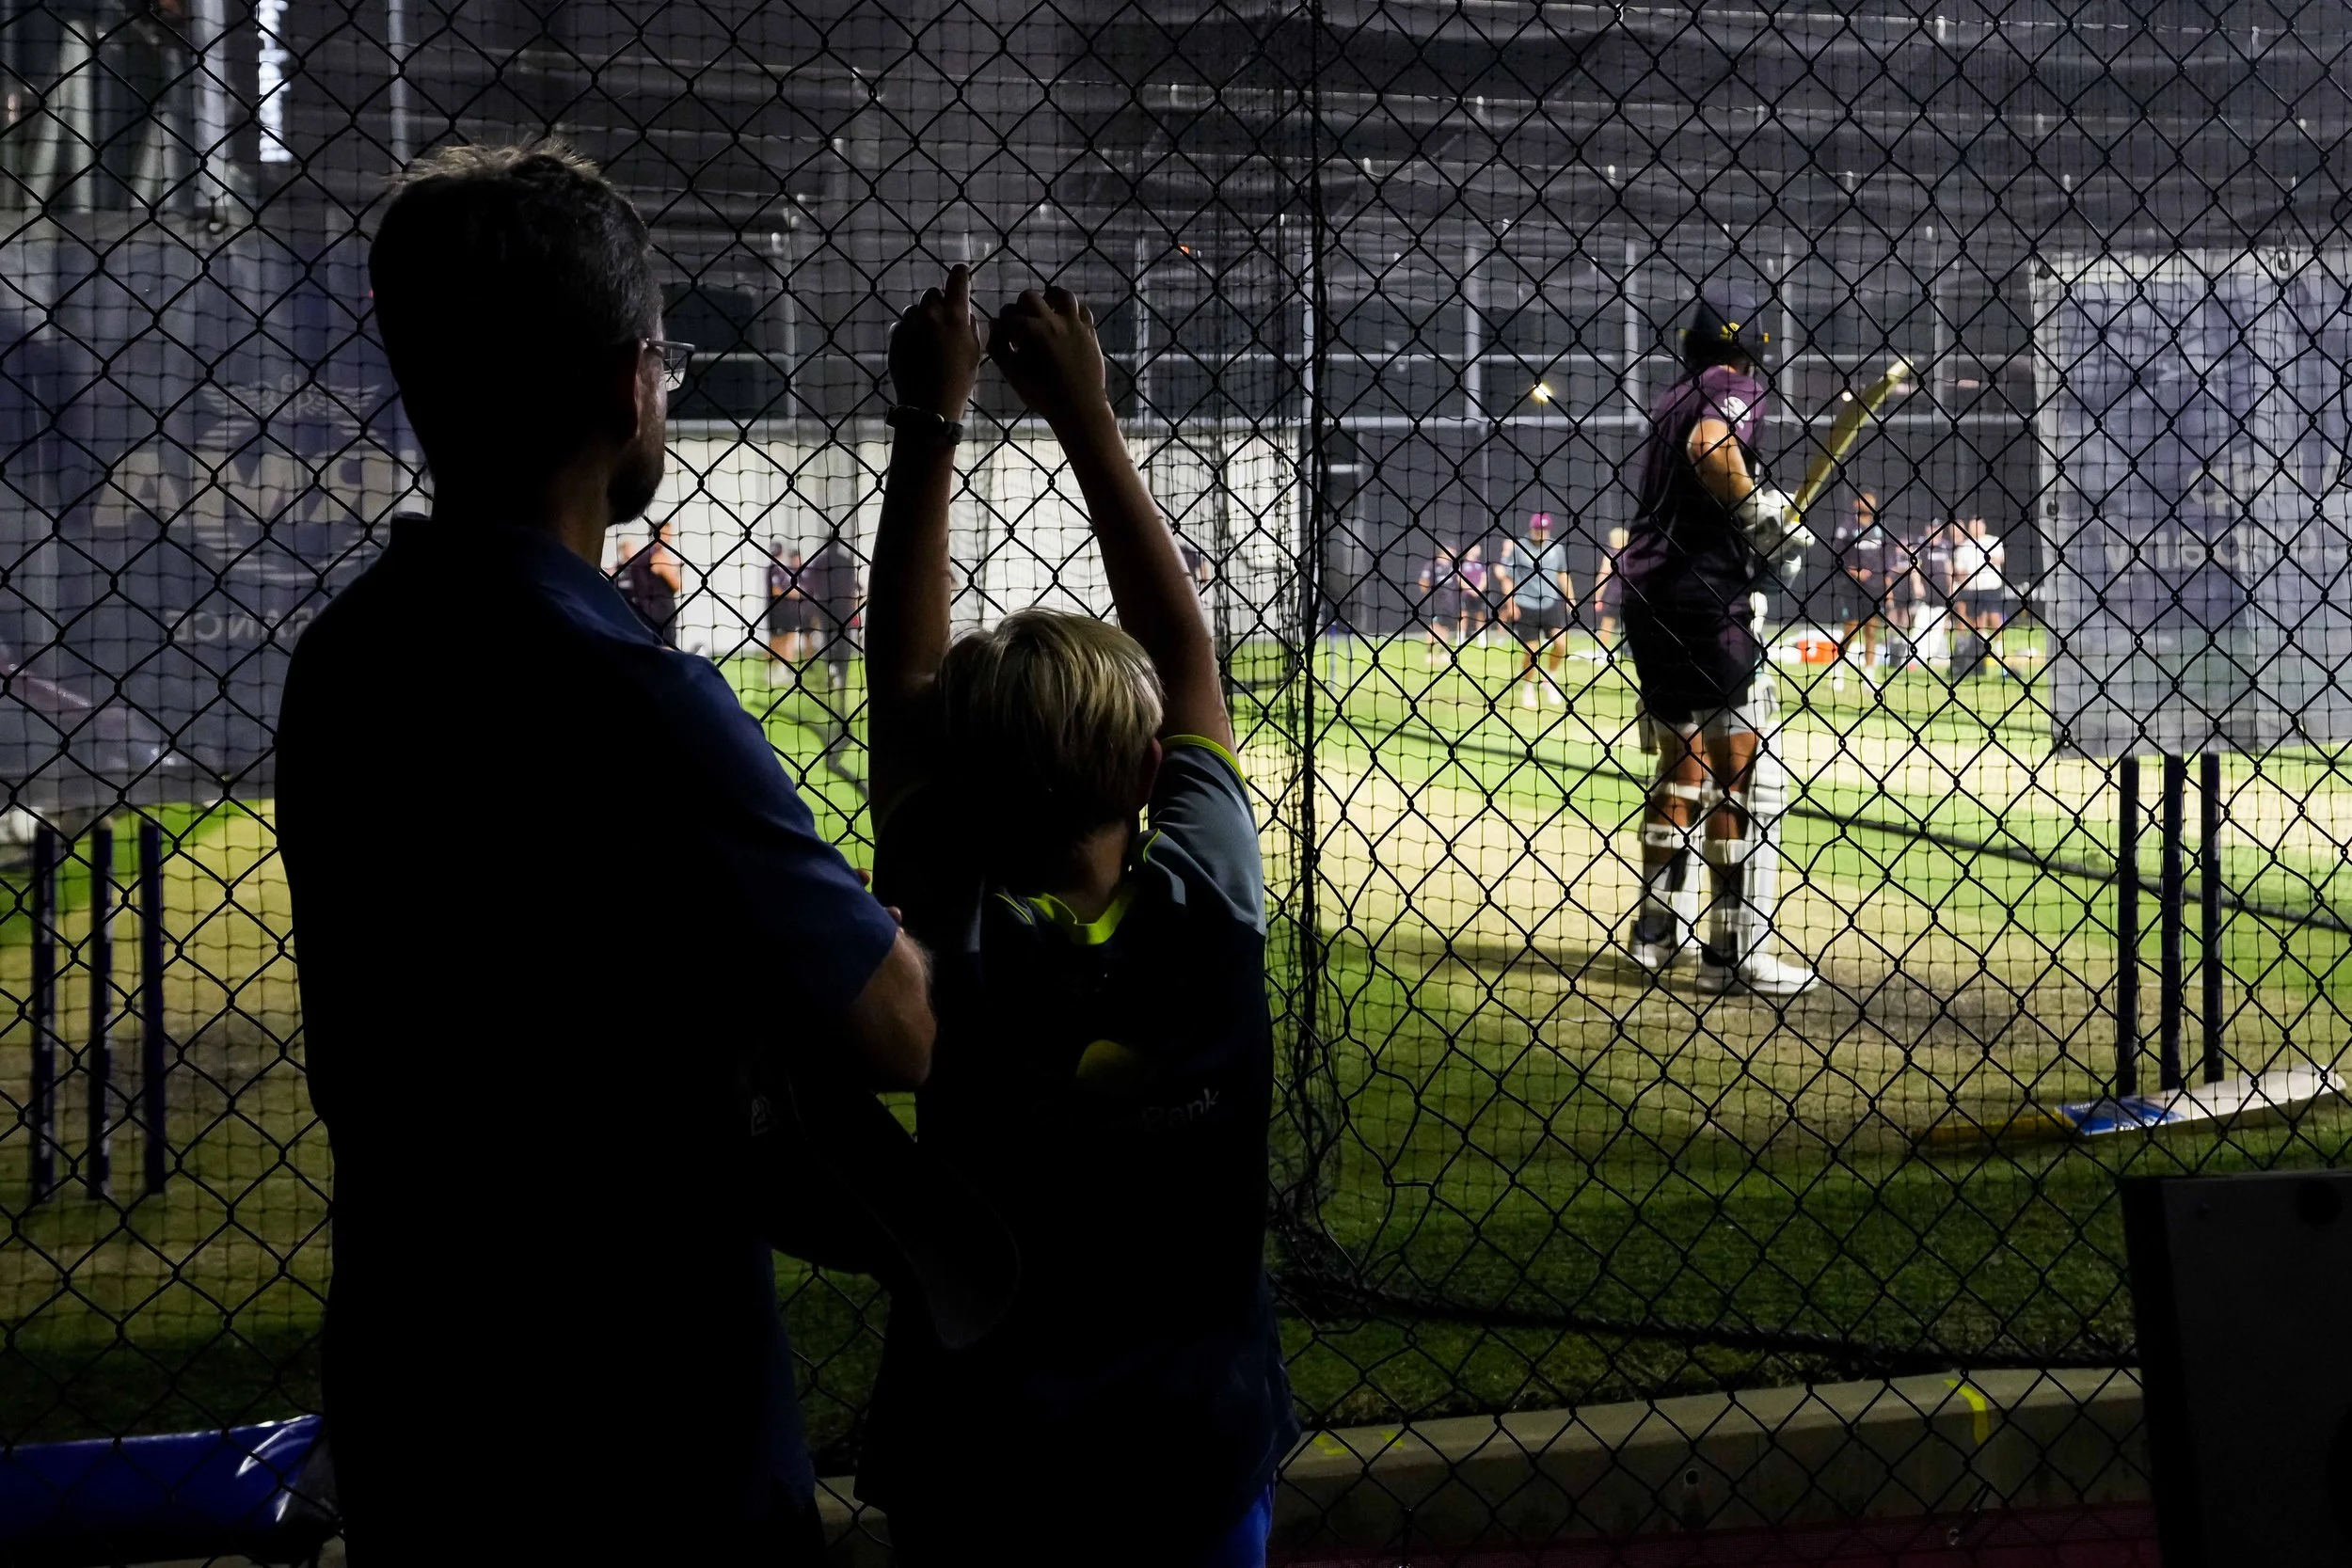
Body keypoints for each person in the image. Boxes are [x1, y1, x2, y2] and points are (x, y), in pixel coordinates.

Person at [274, 143, 937, 1562]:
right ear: (627, 382)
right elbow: (899, 1025)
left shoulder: (346, 661)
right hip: (651, 1418)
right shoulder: (641, 695)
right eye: (664, 361)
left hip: (424, 1389)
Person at [857, 273, 1296, 1567]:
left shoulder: (954, 924)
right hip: (1192, 1449)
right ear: (1157, 774)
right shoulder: (1204, 897)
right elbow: (1187, 648)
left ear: (954, 792)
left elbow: (904, 680)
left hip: (987, 1454)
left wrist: (932, 420)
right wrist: (1087, 416)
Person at [1617, 286, 1820, 996]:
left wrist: (1747, 530)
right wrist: (1760, 512)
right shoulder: (1734, 387)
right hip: (1705, 597)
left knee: (1681, 766)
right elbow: (1713, 446)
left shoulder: (1670, 396)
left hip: (1647, 592)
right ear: (1752, 350)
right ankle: (1731, 955)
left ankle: (1653, 934)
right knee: (1745, 773)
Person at [1502, 511, 1575, 709]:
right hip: (1526, 605)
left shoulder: (1556, 548)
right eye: (1537, 529)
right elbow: (1508, 576)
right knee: (1531, 651)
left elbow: (1562, 574)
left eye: (1543, 529)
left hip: (1550, 604)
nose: (1539, 532)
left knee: (1561, 645)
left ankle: (1549, 680)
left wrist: (1571, 599)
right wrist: (1511, 603)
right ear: (1531, 528)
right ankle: (1528, 688)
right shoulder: (1519, 547)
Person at [1831, 490, 1886, 692]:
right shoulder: (1847, 527)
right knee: (1851, 630)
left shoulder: (1879, 529)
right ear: (1857, 503)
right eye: (1865, 499)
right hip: (1852, 587)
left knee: (1872, 631)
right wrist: (1854, 571)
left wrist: (1885, 584)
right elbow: (1837, 556)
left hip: (1874, 589)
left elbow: (1884, 558)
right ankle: (1838, 671)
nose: (1870, 502)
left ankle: (1869, 677)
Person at [803, 528, 860, 692]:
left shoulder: (819, 562)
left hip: (825, 607)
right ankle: (841, 674)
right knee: (844, 640)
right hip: (843, 607)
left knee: (828, 640)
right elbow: (851, 587)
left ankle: (832, 670)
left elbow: (811, 586)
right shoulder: (846, 561)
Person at [617, 517, 682, 645]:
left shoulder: (640, 557)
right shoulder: (659, 557)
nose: (669, 538)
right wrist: (676, 570)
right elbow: (677, 585)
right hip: (663, 612)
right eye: (666, 533)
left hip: (643, 612)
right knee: (668, 651)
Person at [766, 540, 812, 672]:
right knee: (777, 639)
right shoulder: (775, 569)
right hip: (778, 610)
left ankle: (786, 666)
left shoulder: (784, 570)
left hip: (790, 611)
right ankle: (775, 667)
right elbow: (776, 590)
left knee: (789, 636)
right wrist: (795, 595)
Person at [1420, 540, 1458, 665]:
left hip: (1448, 603)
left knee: (1445, 627)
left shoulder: (1452, 566)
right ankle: (1429, 653)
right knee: (1434, 627)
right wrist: (1429, 597)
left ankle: (1442, 653)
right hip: (1435, 603)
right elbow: (1423, 582)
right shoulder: (1432, 565)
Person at [1592, 524, 1627, 652]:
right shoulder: (1631, 553)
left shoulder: (1611, 554)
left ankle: (1602, 652)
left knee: (1607, 625)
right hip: (1629, 595)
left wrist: (1598, 597)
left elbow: (1603, 576)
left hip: (1613, 597)